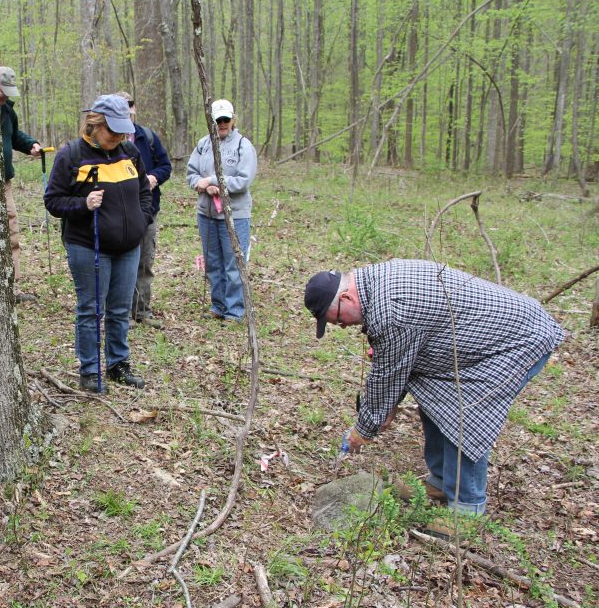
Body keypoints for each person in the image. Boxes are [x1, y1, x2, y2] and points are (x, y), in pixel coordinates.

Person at [304, 260, 566, 534]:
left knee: (464, 416)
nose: (343, 326)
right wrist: (386, 405)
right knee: (435, 396)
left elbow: (389, 373)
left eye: (337, 319)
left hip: (514, 341)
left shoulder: (391, 311)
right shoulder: (372, 284)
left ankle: (467, 510)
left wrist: (364, 429)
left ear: (346, 297)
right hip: (470, 340)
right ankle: (442, 482)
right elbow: (399, 364)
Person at [44, 94, 152, 393]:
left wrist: (142, 220)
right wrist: (83, 204)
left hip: (129, 247)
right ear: (95, 124)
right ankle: (90, 370)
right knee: (91, 309)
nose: (118, 137)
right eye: (112, 131)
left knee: (119, 309)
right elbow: (53, 201)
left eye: (122, 131)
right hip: (88, 246)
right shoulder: (72, 155)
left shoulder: (129, 152)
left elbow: (145, 191)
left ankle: (118, 364)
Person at [186, 98, 257, 321]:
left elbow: (243, 180)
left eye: (226, 119)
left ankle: (235, 310)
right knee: (213, 262)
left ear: (233, 119)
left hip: (234, 214)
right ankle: (218, 305)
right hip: (206, 213)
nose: (222, 124)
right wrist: (200, 184)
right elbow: (191, 173)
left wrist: (215, 181)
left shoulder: (243, 145)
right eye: (218, 120)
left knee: (234, 263)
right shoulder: (203, 144)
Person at [114, 91, 172, 329]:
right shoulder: (110, 139)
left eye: (130, 105)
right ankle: (121, 313)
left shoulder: (147, 136)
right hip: (119, 213)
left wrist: (153, 178)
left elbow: (165, 165)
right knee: (121, 261)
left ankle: (142, 311)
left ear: (134, 108)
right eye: (121, 106)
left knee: (145, 261)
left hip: (148, 210)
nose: (127, 109)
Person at [0, 66, 42, 302]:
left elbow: (14, 137)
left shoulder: (7, 112)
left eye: (7, 92)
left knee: (11, 232)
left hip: (4, 183)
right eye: (1, 91)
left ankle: (11, 289)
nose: (4, 96)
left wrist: (31, 145)